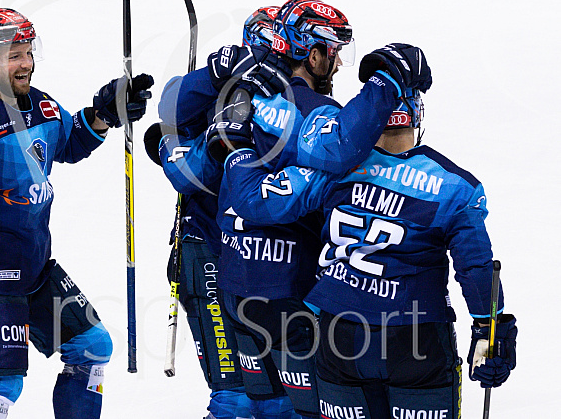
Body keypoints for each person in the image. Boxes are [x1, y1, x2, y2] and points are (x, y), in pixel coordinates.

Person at [220, 44, 518, 419]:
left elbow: (257, 205)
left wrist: (236, 147)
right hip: (415, 341)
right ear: (415, 112)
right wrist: (492, 331)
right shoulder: (455, 186)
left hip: (338, 336)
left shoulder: (334, 169)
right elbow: (476, 268)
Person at [0, 8, 154, 419]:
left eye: (27, 51)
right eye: (12, 55)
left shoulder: (40, 105)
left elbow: (68, 143)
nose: (25, 63)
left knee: (92, 348)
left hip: (34, 268)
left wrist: (104, 116)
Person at [143, 6, 284, 419]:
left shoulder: (291, 104)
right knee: (235, 397)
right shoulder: (210, 100)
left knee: (278, 399)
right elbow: (170, 106)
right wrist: (212, 76)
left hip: (263, 263)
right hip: (206, 252)